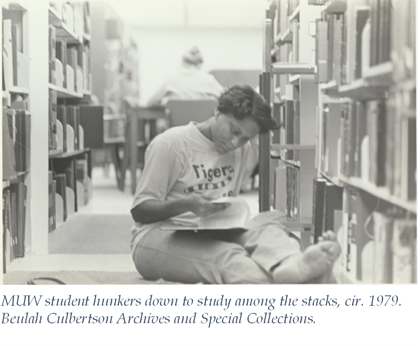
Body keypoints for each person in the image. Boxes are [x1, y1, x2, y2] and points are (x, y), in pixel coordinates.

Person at [130, 85, 340, 284]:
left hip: (207, 231)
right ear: (217, 112)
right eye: (234, 131)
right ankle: (307, 282)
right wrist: (186, 204)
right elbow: (140, 211)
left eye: (244, 138)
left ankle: (290, 263)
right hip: (155, 237)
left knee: (269, 224)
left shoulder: (242, 150)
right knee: (226, 256)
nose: (235, 143)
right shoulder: (170, 144)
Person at [147, 46, 224, 107]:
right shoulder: (208, 79)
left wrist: (167, 103)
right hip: (200, 126)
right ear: (200, 64)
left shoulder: (171, 80)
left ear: (183, 62)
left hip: (177, 126)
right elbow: (226, 99)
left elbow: (151, 102)